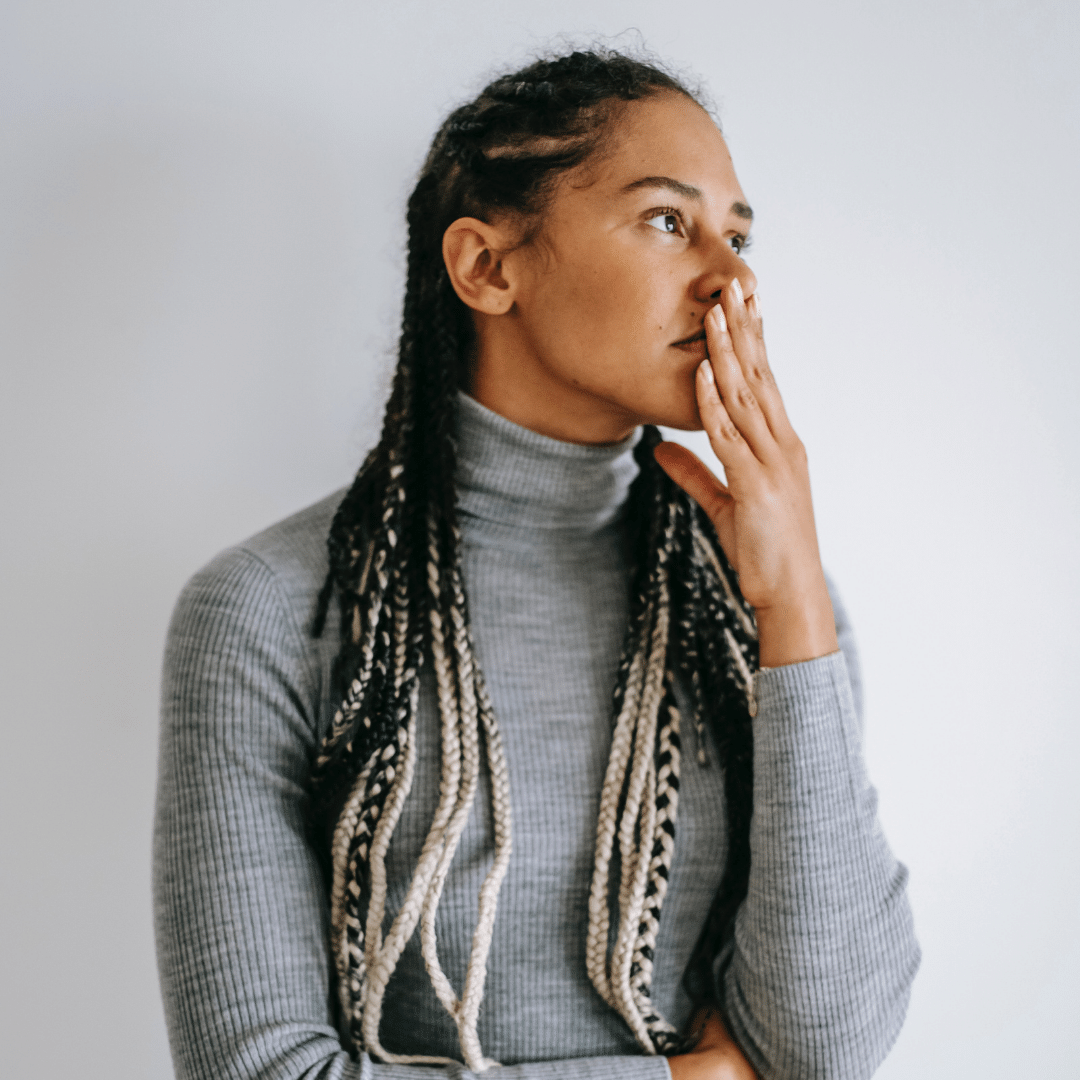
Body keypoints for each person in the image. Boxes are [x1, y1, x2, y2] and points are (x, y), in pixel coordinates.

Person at [153, 48, 920, 1080]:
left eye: (740, 237)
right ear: (487, 268)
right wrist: (688, 1078)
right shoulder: (272, 611)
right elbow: (260, 1072)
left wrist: (792, 615)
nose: (731, 278)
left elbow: (827, 1046)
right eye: (667, 221)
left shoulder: (775, 612)